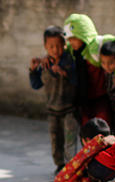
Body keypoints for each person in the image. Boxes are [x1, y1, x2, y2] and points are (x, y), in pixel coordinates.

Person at [63, 14, 115, 124]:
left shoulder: (97, 47)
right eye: (69, 39)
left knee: (103, 129)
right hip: (83, 100)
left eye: (74, 38)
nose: (71, 42)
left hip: (102, 99)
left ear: (83, 35)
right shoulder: (73, 52)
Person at [29, 26, 79, 172]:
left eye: (58, 46)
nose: (55, 50)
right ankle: (60, 165)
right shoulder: (44, 64)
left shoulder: (70, 61)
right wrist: (33, 70)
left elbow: (78, 82)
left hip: (70, 109)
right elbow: (36, 85)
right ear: (45, 46)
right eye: (51, 46)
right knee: (56, 139)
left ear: (65, 44)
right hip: (52, 110)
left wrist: (65, 72)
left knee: (70, 141)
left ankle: (71, 168)